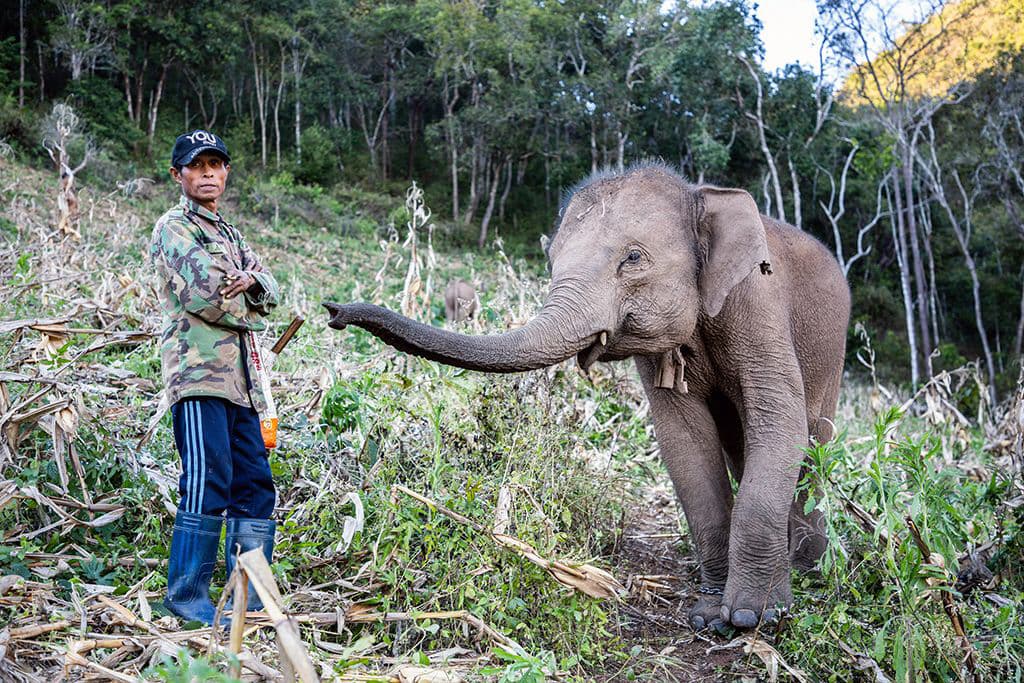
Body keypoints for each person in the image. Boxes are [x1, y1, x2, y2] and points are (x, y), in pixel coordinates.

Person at [149, 130, 280, 625]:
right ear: (177, 174)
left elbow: (269, 284)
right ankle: (188, 599)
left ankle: (244, 600)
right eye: (196, 165)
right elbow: (206, 295)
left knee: (255, 483)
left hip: (243, 381)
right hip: (199, 375)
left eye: (216, 164)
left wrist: (254, 285)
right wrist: (251, 293)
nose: (208, 173)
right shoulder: (174, 228)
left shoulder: (229, 232)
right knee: (208, 482)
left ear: (226, 172)